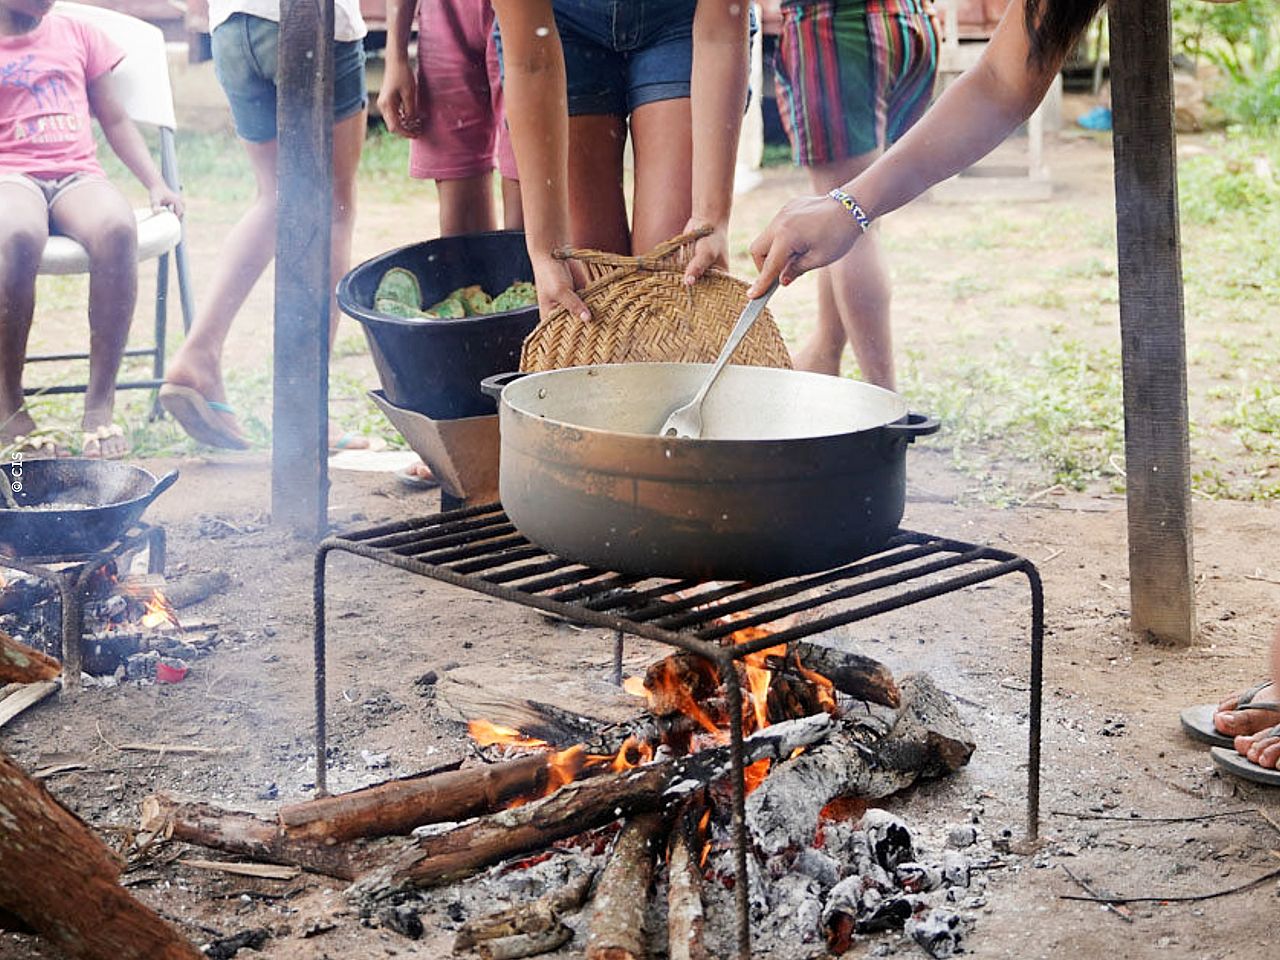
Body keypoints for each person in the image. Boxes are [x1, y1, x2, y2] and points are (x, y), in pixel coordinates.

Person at [746, 0, 1105, 299]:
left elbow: (1002, 80)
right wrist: (848, 205)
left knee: (860, 236)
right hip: (911, 22)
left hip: (833, 26)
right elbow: (1002, 80)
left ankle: (878, 382)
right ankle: (832, 357)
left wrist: (847, 205)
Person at [158, 0, 369, 451]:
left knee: (276, 196)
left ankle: (199, 354)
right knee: (332, 206)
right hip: (310, 20)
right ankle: (304, 406)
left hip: (233, 26)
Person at [489, 0, 752, 323]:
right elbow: (532, 63)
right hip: (559, 25)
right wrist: (546, 249)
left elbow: (720, 33)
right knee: (588, 291)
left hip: (683, 18)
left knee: (674, 276)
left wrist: (712, 218)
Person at [0, 0, 183, 460]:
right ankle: (9, 406)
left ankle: (99, 405)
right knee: (17, 235)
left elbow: (115, 119)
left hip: (76, 176)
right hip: (10, 176)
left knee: (117, 227)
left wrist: (155, 182)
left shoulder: (77, 34)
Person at [379, 0, 522, 488]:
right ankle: (468, 429)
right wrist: (397, 50)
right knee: (460, 232)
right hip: (445, 14)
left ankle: (523, 431)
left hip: (532, 13)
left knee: (526, 229)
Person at [766, 0, 938, 390]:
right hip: (912, 22)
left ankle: (885, 404)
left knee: (851, 218)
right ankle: (824, 353)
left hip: (838, 28)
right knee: (849, 213)